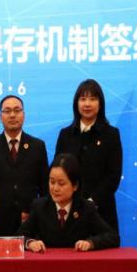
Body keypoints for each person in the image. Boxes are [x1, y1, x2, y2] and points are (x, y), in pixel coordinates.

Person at [55, 79, 122, 231]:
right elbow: (57, 173)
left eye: (92, 99)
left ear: (100, 104)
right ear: (76, 103)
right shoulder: (65, 135)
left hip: (101, 212)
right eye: (83, 99)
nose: (87, 104)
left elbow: (113, 176)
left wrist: (92, 202)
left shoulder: (111, 135)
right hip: (69, 211)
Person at [17, 154, 120, 253]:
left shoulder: (86, 208)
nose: (55, 188)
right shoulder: (39, 206)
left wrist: (90, 243)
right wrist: (30, 243)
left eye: (61, 183)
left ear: (75, 185)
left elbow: (113, 237)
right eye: (52, 182)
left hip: (77, 263)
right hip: (48, 262)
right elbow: (19, 236)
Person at [0, 95, 49, 235]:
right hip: (0, 225)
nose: (12, 115)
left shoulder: (38, 146)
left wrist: (43, 220)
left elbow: (45, 188)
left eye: (17, 110)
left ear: (24, 115)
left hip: (31, 224)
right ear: (0, 117)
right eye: (7, 111)